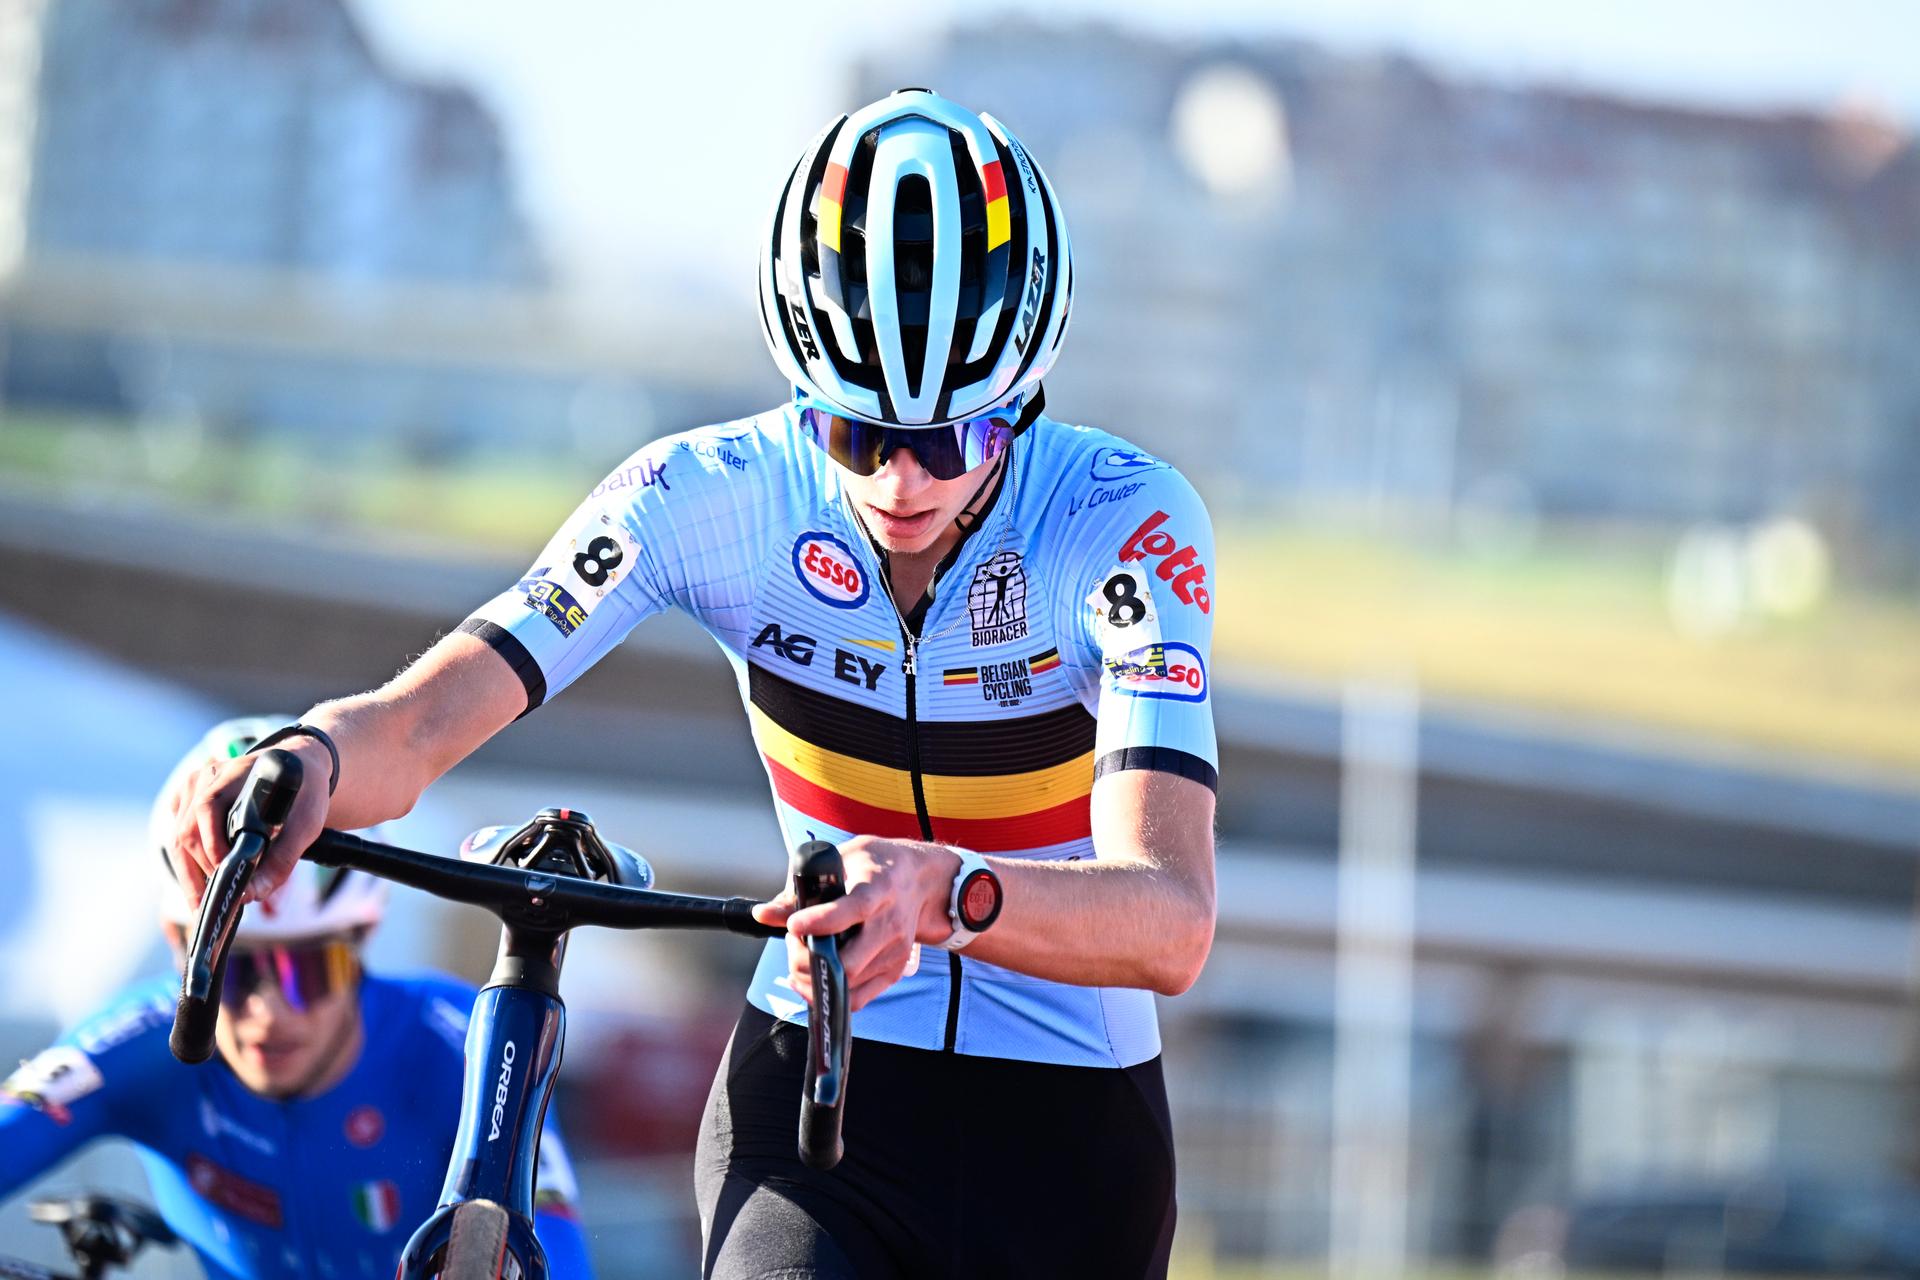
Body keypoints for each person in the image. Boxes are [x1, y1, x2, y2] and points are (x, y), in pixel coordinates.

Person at [167, 88, 1218, 1279]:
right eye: (858, 435)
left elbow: (1170, 918)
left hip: (1069, 1132)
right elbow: (415, 727)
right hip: (821, 1102)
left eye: (954, 439)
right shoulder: (708, 494)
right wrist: (299, 755)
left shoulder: (1122, 522)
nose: (903, 483)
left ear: (1024, 401)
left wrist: (942, 892)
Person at [5, 717, 594, 1279]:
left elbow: (559, 1257)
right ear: (180, 951)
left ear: (364, 942)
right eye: (228, 973)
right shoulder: (137, 1037)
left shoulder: (466, 1041)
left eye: (307, 972)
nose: (270, 1012)